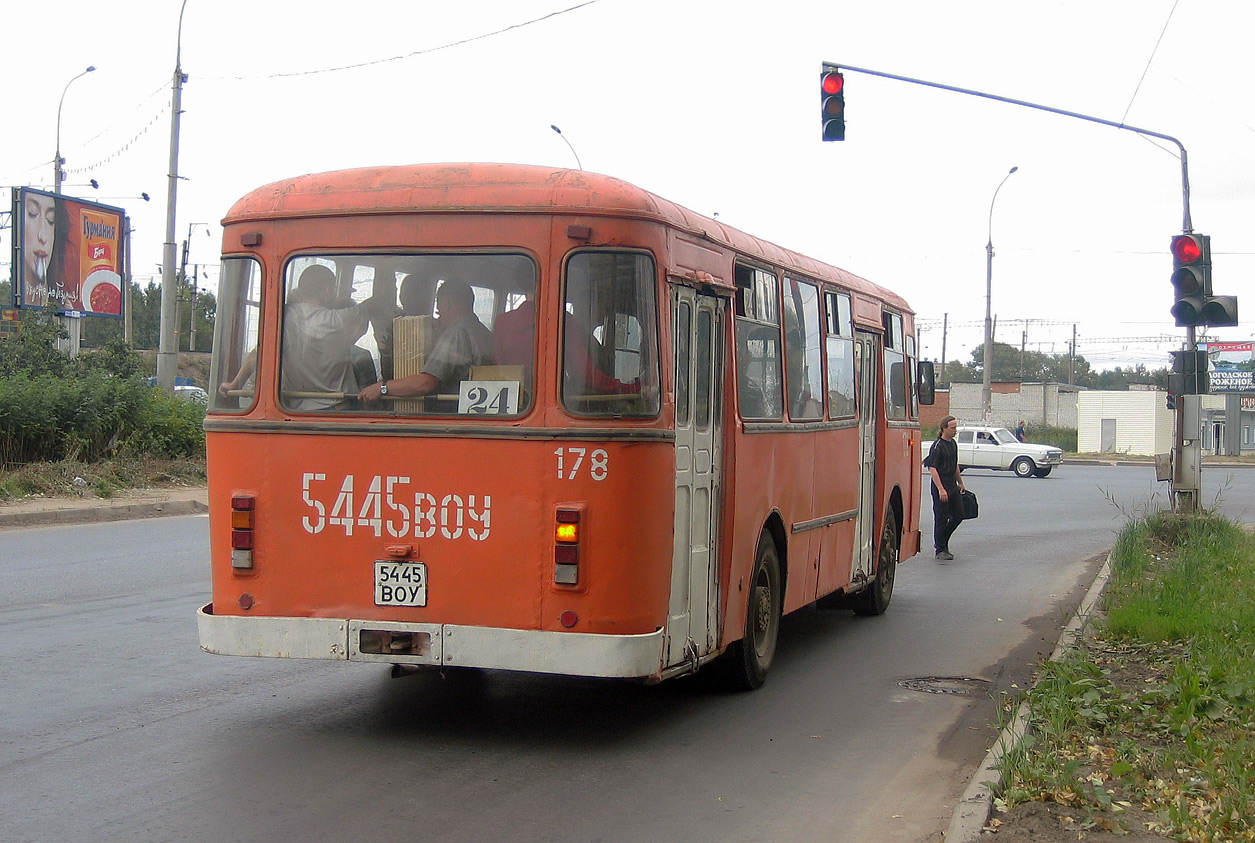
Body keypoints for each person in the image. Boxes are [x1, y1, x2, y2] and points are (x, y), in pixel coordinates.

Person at [219, 264, 377, 411]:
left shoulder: (283, 317)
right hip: (337, 408)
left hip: (295, 411)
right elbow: (376, 302)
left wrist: (234, 384)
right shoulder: (339, 320)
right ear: (328, 290)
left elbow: (256, 356)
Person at [360, 279, 493, 402]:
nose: (438, 312)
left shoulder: (455, 333)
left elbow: (426, 383)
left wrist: (382, 387)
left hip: (453, 408)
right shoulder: (483, 332)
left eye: (438, 305)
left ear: (447, 303)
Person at [925, 415, 966, 560]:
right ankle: (940, 549)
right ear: (944, 429)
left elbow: (955, 465)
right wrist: (941, 489)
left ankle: (944, 540)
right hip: (940, 484)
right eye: (953, 428)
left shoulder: (953, 444)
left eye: (956, 427)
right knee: (941, 518)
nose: (955, 430)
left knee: (959, 514)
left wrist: (960, 482)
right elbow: (933, 469)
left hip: (952, 484)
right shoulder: (937, 446)